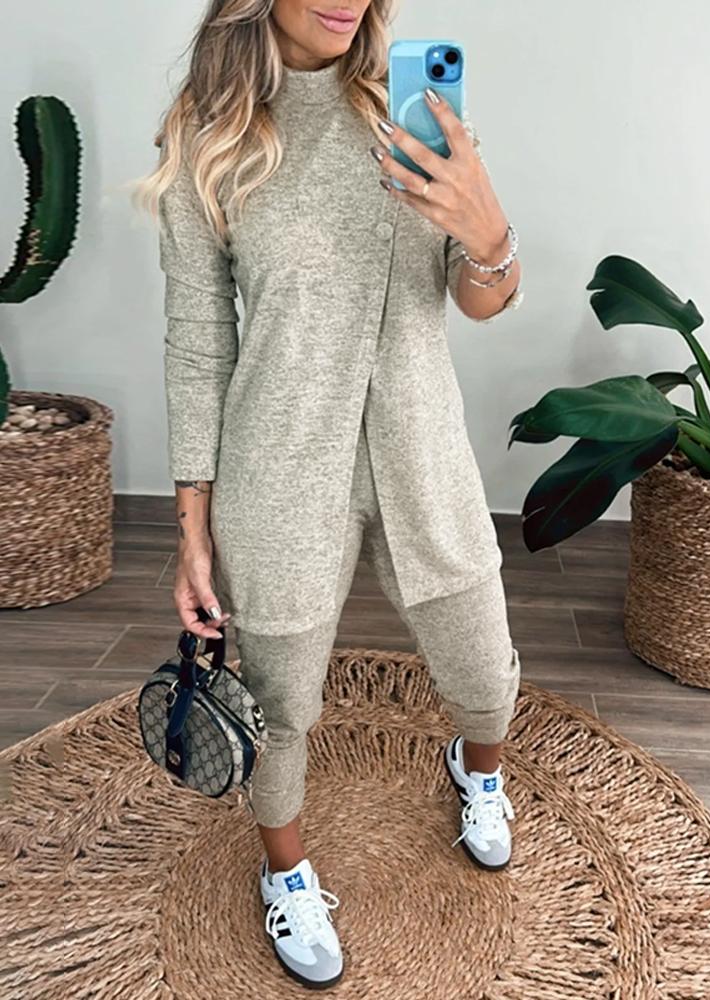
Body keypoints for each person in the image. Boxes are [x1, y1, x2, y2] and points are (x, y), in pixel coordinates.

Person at [138, 0, 524, 989]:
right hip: (277, 462)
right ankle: (286, 872)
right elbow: (198, 342)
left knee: (484, 668)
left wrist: (487, 232)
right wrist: (191, 529)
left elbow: (479, 296)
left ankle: (476, 771)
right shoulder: (209, 135)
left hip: (419, 441)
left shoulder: (412, 112)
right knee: (279, 705)